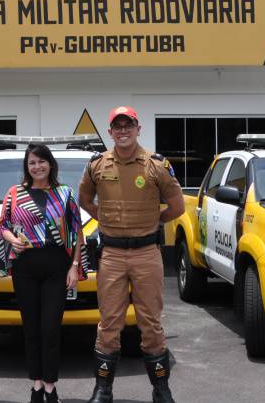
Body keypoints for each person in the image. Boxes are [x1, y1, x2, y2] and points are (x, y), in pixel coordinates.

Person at [78, 106, 184, 403]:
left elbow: (177, 207)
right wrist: (104, 217)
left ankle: (161, 390)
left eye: (129, 125)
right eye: (117, 126)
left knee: (150, 323)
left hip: (146, 253)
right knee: (109, 323)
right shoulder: (97, 165)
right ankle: (103, 390)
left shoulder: (156, 165)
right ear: (110, 132)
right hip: (111, 254)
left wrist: (154, 221)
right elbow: (84, 199)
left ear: (138, 129)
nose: (123, 131)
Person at [0, 143, 86, 403]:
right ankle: (36, 384)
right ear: (27, 167)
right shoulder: (15, 193)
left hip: (57, 266)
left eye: (41, 161)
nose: (37, 167)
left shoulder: (65, 193)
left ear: (50, 164)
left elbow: (77, 232)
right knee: (31, 329)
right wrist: (11, 238)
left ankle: (50, 385)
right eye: (31, 162)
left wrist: (74, 266)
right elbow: (2, 225)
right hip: (25, 266)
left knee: (51, 328)